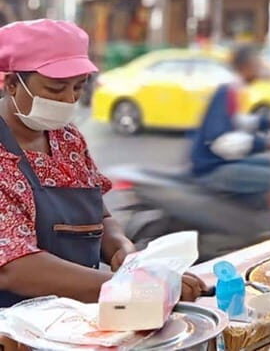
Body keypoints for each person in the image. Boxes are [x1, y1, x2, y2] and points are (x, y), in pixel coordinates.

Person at [0, 19, 203, 307]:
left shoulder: (68, 138)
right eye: (55, 89)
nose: (69, 99)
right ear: (11, 84)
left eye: (78, 87)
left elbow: (98, 214)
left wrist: (121, 248)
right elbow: (13, 267)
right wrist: (129, 287)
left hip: (77, 317)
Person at [189, 45, 270, 220]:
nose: (260, 70)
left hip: (220, 160)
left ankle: (257, 218)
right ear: (246, 67)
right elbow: (221, 141)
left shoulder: (235, 88)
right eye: (257, 65)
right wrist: (269, 143)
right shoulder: (227, 91)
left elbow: (237, 120)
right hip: (212, 167)